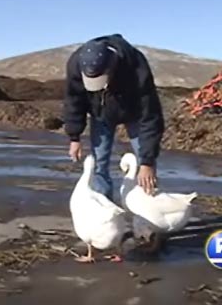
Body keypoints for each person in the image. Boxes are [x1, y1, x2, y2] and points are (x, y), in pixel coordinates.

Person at [63, 34, 165, 201]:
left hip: (135, 114)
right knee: (99, 164)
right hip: (101, 114)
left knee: (145, 165)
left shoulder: (135, 65)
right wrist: (74, 136)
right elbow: (74, 100)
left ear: (112, 66)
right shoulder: (75, 63)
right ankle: (104, 207)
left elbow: (150, 115)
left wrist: (147, 161)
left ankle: (149, 208)